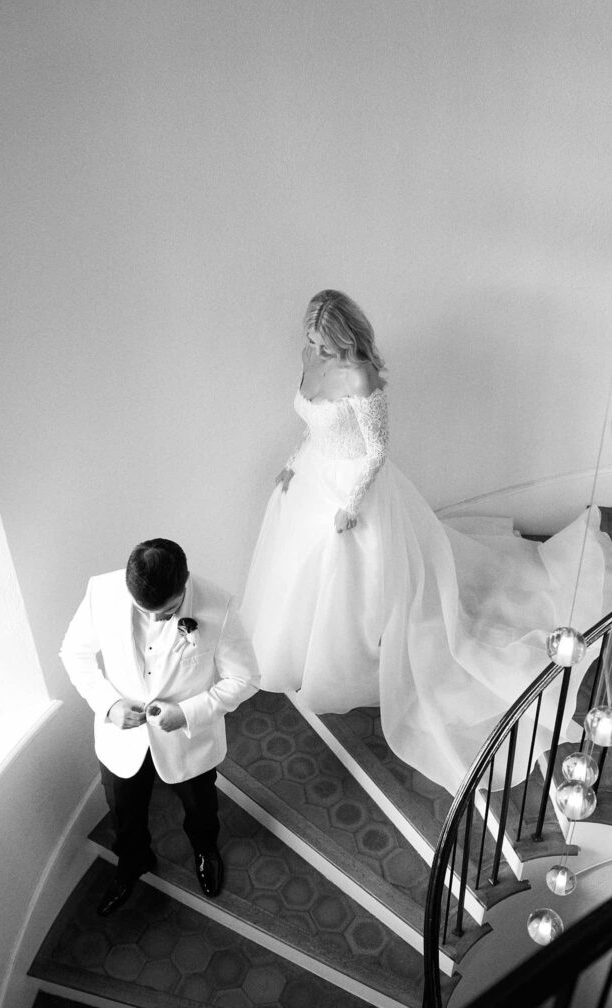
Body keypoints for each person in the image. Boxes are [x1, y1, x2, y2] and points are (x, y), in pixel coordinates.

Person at [241, 289, 612, 794]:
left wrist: (350, 506)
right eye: (311, 339)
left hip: (355, 491)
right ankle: (303, 653)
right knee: (300, 576)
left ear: (345, 337)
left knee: (355, 584)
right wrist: (290, 463)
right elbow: (311, 423)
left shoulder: (361, 377)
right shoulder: (310, 359)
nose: (314, 349)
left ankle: (361, 660)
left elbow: (376, 452)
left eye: (324, 342)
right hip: (311, 479)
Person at [60, 538, 260, 915]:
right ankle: (133, 861)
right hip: (121, 737)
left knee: (200, 807)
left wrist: (188, 712)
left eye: (167, 611)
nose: (155, 620)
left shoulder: (220, 604)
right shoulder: (101, 591)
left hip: (189, 739)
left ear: (184, 583)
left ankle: (205, 850)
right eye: (144, 610)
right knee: (123, 809)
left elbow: (246, 678)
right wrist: (109, 704)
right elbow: (74, 652)